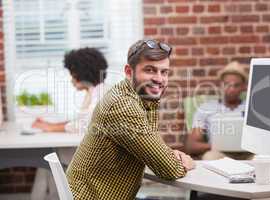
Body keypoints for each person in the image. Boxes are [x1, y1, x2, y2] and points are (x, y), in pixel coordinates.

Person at [66, 39, 195, 200]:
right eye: (150, 70)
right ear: (129, 72)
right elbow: (170, 169)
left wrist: (167, 155)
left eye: (164, 72)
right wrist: (187, 162)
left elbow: (152, 146)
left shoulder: (133, 97)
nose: (159, 79)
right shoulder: (124, 107)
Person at [31, 47, 110, 200]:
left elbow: (82, 125)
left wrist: (49, 127)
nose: (71, 79)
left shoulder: (100, 94)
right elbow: (80, 120)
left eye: (72, 74)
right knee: (47, 159)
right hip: (88, 154)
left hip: (94, 161)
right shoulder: (95, 92)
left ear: (82, 73)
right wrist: (50, 125)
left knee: (46, 159)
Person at [186, 61, 252, 160]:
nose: (231, 89)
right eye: (227, 84)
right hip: (219, 153)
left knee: (264, 159)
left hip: (248, 154)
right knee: (209, 157)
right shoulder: (206, 108)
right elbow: (191, 145)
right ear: (221, 85)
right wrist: (217, 145)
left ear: (243, 87)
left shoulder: (251, 108)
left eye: (236, 85)